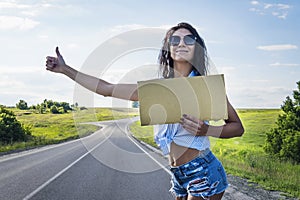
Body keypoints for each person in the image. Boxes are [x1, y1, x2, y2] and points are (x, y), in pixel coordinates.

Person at [45, 22, 244, 200]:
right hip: (177, 173)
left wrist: (206, 130)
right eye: (175, 40)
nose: (181, 43)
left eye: (189, 39)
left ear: (196, 48)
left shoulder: (207, 88)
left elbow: (237, 127)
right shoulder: (156, 90)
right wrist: (65, 69)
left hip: (203, 171)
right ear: (168, 48)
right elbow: (107, 88)